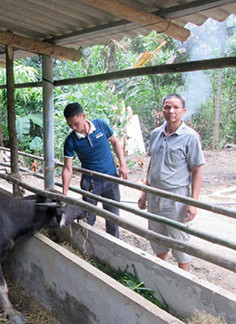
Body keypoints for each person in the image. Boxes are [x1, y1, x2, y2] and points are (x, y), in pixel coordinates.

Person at [138, 93, 205, 271]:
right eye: (167, 107)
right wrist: (145, 192)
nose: (171, 111)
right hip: (155, 194)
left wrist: (193, 202)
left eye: (175, 107)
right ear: (162, 111)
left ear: (183, 111)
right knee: (157, 237)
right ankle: (162, 273)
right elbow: (152, 163)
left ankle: (183, 280)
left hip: (176, 196)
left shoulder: (190, 137)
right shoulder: (156, 134)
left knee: (179, 241)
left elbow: (197, 170)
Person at [62, 102, 128, 238]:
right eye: (70, 125)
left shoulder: (100, 125)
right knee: (88, 217)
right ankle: (87, 245)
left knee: (113, 217)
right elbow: (67, 169)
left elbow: (115, 142)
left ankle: (113, 245)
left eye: (76, 124)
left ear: (84, 116)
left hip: (111, 178)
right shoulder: (71, 141)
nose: (74, 128)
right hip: (91, 184)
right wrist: (64, 194)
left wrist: (122, 164)